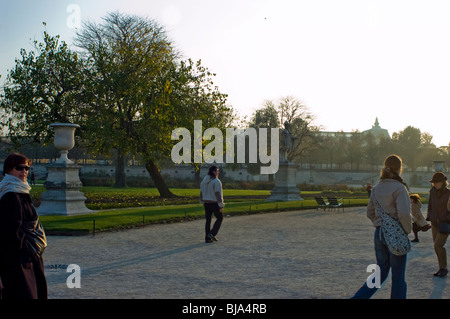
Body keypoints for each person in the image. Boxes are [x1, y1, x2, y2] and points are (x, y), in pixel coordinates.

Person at [352, 154, 411, 299]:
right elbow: (403, 213)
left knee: (381, 272)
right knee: (398, 276)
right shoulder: (399, 188)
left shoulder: (377, 188)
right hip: (395, 233)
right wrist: (407, 230)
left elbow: (369, 212)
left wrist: (379, 223)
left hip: (379, 233)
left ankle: (359, 297)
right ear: (399, 169)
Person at [0, 153, 47, 299]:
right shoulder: (12, 195)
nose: (24, 171)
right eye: (20, 168)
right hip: (20, 259)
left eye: (27, 167)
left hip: (23, 256)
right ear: (8, 170)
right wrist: (26, 251)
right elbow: (11, 230)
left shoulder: (18, 191)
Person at [426, 172, 450, 278]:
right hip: (434, 222)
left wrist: (447, 218)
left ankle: (444, 268)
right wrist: (430, 216)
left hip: (444, 222)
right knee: (436, 246)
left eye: (437, 182)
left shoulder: (448, 193)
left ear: (443, 182)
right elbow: (430, 205)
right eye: (433, 182)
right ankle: (441, 267)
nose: (435, 184)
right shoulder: (432, 192)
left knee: (438, 244)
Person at [200, 166, 224, 243]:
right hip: (214, 203)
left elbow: (201, 192)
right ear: (213, 172)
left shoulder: (204, 181)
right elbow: (218, 193)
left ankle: (207, 238)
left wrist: (202, 201)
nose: (218, 172)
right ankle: (212, 233)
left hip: (206, 203)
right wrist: (221, 205)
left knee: (208, 220)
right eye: (217, 171)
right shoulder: (216, 181)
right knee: (220, 218)